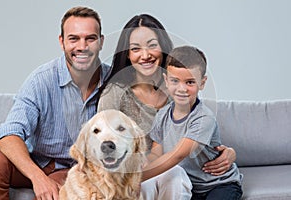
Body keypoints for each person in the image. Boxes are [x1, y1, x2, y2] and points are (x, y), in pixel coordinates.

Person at [97, 14, 237, 199]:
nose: (145, 55)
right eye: (136, 48)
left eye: (152, 45)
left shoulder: (177, 89)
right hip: (140, 174)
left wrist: (230, 153)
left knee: (175, 176)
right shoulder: (115, 94)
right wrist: (130, 178)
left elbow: (193, 136)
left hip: (180, 176)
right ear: (128, 54)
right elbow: (104, 146)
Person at [0, 6, 110, 200]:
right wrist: (37, 177)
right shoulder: (42, 80)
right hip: (34, 160)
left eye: (90, 38)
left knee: (59, 192)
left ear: (101, 42)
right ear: (62, 42)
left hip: (74, 168)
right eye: (74, 38)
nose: (82, 46)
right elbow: (8, 134)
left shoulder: (113, 84)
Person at [142, 45, 243, 199]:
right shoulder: (162, 115)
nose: (181, 89)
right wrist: (144, 167)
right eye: (175, 81)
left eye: (190, 82)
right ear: (166, 81)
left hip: (217, 184)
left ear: (202, 83)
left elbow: (177, 155)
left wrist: (138, 177)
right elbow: (156, 153)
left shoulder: (203, 118)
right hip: (189, 185)